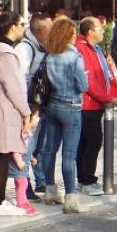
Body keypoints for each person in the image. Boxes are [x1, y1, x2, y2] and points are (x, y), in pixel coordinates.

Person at [0, 12, 36, 216]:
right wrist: (26, 112)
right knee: (4, 156)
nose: (23, 27)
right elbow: (14, 89)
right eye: (21, 24)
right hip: (6, 112)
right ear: (12, 27)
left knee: (3, 156)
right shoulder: (7, 55)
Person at [41, 17, 90, 213]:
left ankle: (50, 190)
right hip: (71, 105)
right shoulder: (74, 57)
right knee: (69, 154)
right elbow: (83, 86)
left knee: (50, 149)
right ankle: (71, 198)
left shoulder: (49, 56)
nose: (75, 36)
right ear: (68, 35)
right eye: (73, 33)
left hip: (52, 104)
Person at [74, 17, 117, 195]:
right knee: (92, 141)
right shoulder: (82, 48)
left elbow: (106, 72)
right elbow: (88, 80)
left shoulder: (96, 49)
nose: (103, 31)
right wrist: (107, 97)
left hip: (97, 103)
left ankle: (83, 178)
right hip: (88, 104)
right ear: (90, 31)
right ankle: (87, 180)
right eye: (100, 28)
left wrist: (113, 93)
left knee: (86, 142)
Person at [13, 11, 53, 199]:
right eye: (51, 29)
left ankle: (41, 182)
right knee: (27, 149)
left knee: (40, 147)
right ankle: (24, 189)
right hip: (30, 108)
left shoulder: (43, 47)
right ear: (42, 30)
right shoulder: (25, 49)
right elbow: (20, 81)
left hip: (40, 106)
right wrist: (25, 112)